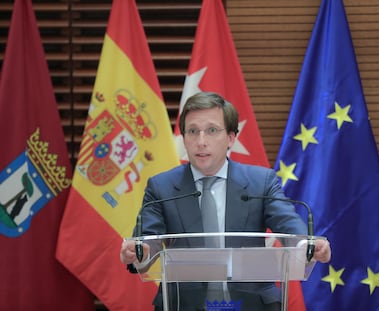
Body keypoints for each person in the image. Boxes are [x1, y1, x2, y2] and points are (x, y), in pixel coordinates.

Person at [120, 91, 331, 311]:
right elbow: (148, 240)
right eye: (193, 131)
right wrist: (140, 251)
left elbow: (287, 223)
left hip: (252, 305)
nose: (201, 142)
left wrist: (305, 244)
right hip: (183, 305)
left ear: (231, 137)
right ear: (184, 138)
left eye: (212, 130)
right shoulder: (161, 187)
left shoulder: (261, 182)